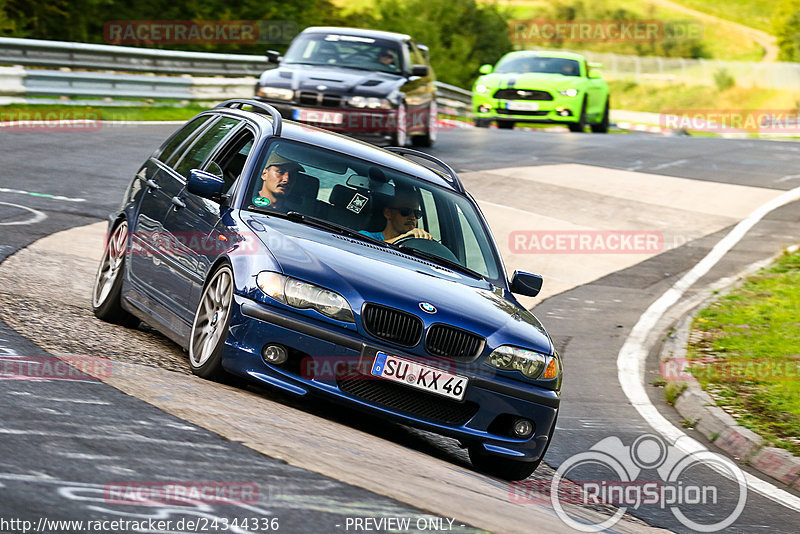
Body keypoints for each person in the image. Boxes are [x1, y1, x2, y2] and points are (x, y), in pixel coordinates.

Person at [360, 190, 432, 243]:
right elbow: (368, 247)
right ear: (388, 213)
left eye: (417, 213)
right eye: (406, 211)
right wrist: (402, 238)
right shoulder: (365, 236)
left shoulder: (417, 244)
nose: (413, 217)